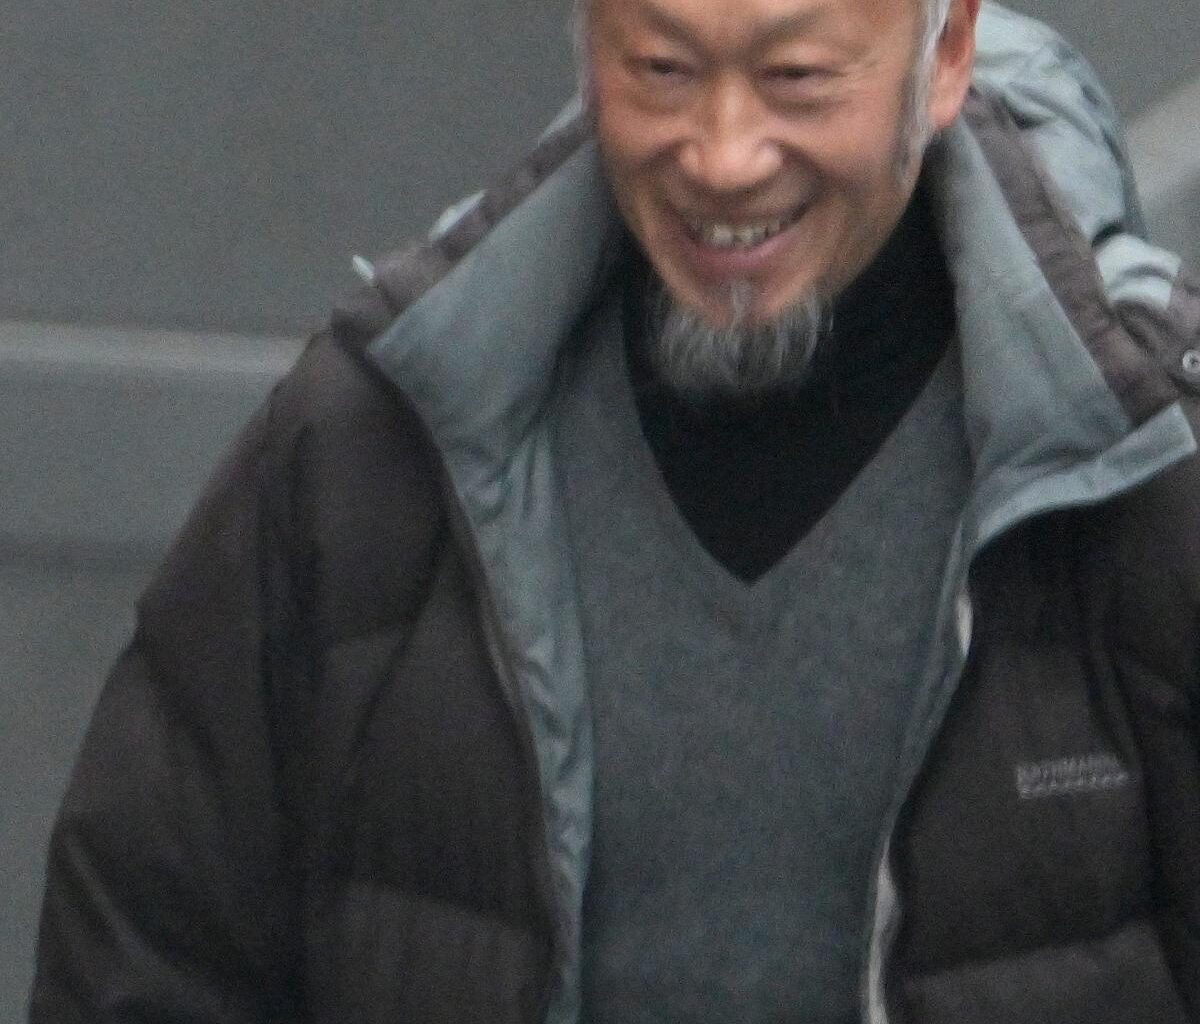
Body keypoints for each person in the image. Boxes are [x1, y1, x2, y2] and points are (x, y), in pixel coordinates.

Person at [29, 0, 1200, 1020]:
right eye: (662, 69)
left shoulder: (1146, 469)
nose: (724, 155)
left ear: (943, 55)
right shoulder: (375, 450)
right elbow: (144, 961)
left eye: (796, 76)